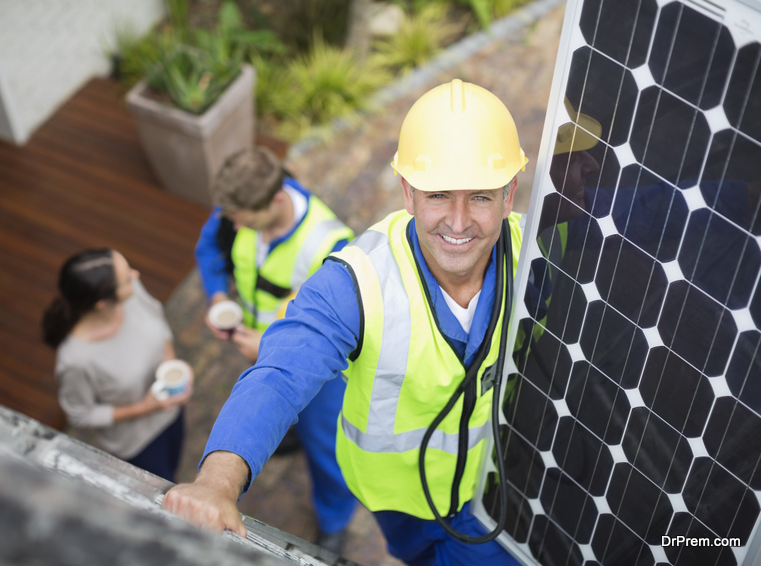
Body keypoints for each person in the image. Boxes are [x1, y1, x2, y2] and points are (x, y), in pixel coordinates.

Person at [164, 79, 525, 565]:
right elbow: (280, 375)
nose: (458, 222)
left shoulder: (540, 256)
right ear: (408, 194)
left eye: (481, 196)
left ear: (510, 194)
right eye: (438, 195)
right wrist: (215, 483)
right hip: (397, 498)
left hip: (492, 489)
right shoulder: (356, 281)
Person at [193, 147, 357, 552]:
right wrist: (216, 296)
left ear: (277, 200)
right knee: (278, 412)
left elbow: (336, 329)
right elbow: (210, 248)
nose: (232, 224)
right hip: (260, 347)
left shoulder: (331, 244)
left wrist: (267, 347)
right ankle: (289, 431)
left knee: (329, 450)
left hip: (321, 375)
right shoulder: (241, 206)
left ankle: (334, 520)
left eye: (241, 219)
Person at [42, 248, 191, 483]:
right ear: (102, 303)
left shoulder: (131, 293)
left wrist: (172, 365)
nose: (136, 274)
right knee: (164, 489)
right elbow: (80, 414)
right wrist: (145, 407)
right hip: (136, 443)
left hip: (171, 411)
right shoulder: (75, 360)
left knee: (174, 463)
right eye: (127, 278)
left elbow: (156, 315)